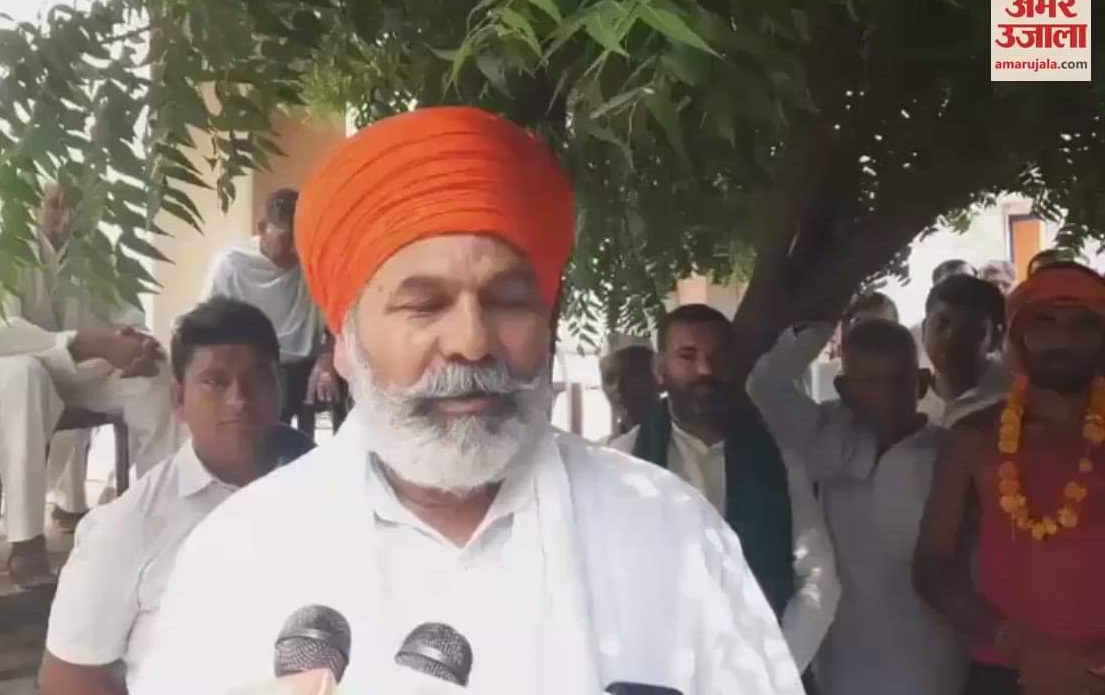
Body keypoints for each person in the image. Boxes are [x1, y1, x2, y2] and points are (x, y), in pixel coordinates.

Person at [133, 107, 805, 694]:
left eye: (508, 302)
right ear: (345, 343)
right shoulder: (240, 555)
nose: (473, 342)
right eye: (424, 305)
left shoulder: (670, 532)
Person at [38, 298, 315, 695]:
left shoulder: (323, 483)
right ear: (179, 400)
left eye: (257, 379)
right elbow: (67, 676)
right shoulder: (129, 527)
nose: (239, 400)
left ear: (279, 388)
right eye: (215, 382)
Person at [0, 182, 187, 588]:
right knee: (26, 376)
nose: (65, 215)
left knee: (156, 380)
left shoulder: (97, 248)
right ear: (30, 204)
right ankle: (26, 542)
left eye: (73, 205)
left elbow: (128, 317)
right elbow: (1, 332)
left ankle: (161, 520)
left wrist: (138, 344)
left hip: (77, 370)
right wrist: (92, 343)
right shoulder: (6, 245)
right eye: (54, 204)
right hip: (2, 364)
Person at [611, 305, 839, 676]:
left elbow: (818, 577)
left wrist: (772, 674)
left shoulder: (777, 462)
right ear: (660, 369)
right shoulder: (623, 462)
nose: (705, 370)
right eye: (688, 356)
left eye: (717, 357)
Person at [749, 314, 968, 695]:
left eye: (898, 381)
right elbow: (766, 384)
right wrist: (823, 317)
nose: (886, 395)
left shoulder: (949, 456)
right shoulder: (826, 439)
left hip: (933, 661)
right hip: (843, 663)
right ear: (843, 389)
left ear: (921, 383)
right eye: (870, 382)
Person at [914, 263, 1105, 695]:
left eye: (1083, 325)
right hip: (1007, 674)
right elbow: (932, 565)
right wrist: (1016, 645)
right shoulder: (973, 436)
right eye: (1045, 323)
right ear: (1018, 335)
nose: (1063, 340)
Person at [205, 187, 346, 437]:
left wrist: (327, 359)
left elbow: (340, 315)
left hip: (310, 364)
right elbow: (211, 327)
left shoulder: (313, 259)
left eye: (300, 241)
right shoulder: (232, 265)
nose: (294, 251)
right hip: (258, 364)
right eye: (286, 240)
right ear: (262, 229)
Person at [920, 275, 1012, 428]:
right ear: (924, 330)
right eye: (941, 324)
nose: (951, 336)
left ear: (995, 338)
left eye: (968, 327)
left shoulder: (1017, 399)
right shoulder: (905, 399)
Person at [597, 333, 658, 442]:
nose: (618, 387)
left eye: (630, 375)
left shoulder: (681, 443)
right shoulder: (603, 447)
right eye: (610, 378)